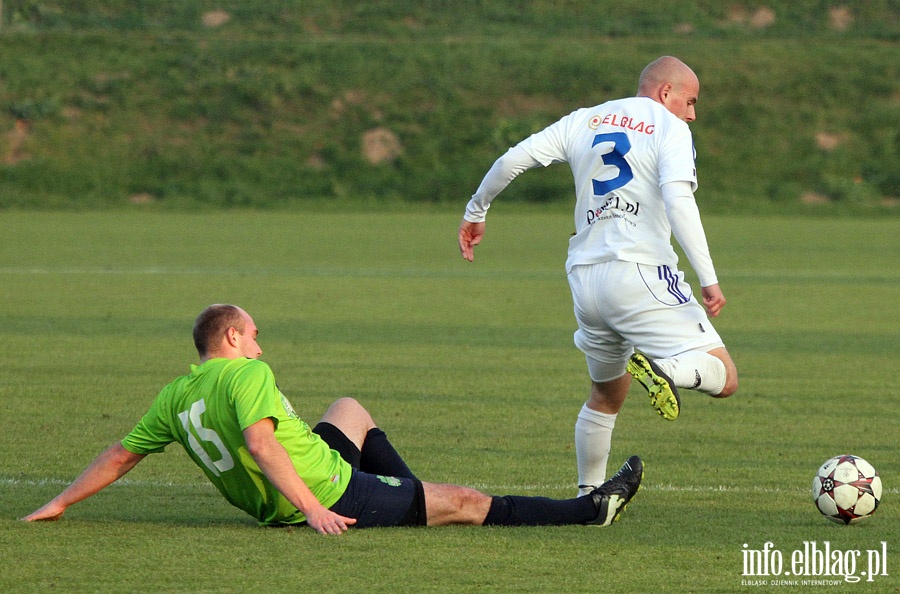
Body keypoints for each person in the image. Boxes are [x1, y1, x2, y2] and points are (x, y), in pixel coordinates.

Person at [22, 304, 643, 534]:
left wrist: (61, 502)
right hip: (321, 491)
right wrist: (315, 509)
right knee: (469, 501)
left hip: (296, 482)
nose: (262, 348)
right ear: (233, 336)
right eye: (255, 336)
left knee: (348, 409)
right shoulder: (247, 374)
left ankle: (410, 500)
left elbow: (121, 454)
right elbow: (263, 446)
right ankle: (590, 510)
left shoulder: (174, 395)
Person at [457, 56, 738, 496]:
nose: (692, 113)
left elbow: (514, 159)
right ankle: (665, 368)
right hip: (639, 271)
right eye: (690, 100)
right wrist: (709, 277)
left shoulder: (583, 120)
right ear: (666, 93)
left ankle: (588, 496)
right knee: (725, 376)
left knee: (606, 395)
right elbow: (678, 198)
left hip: (585, 278)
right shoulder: (671, 129)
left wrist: (476, 210)